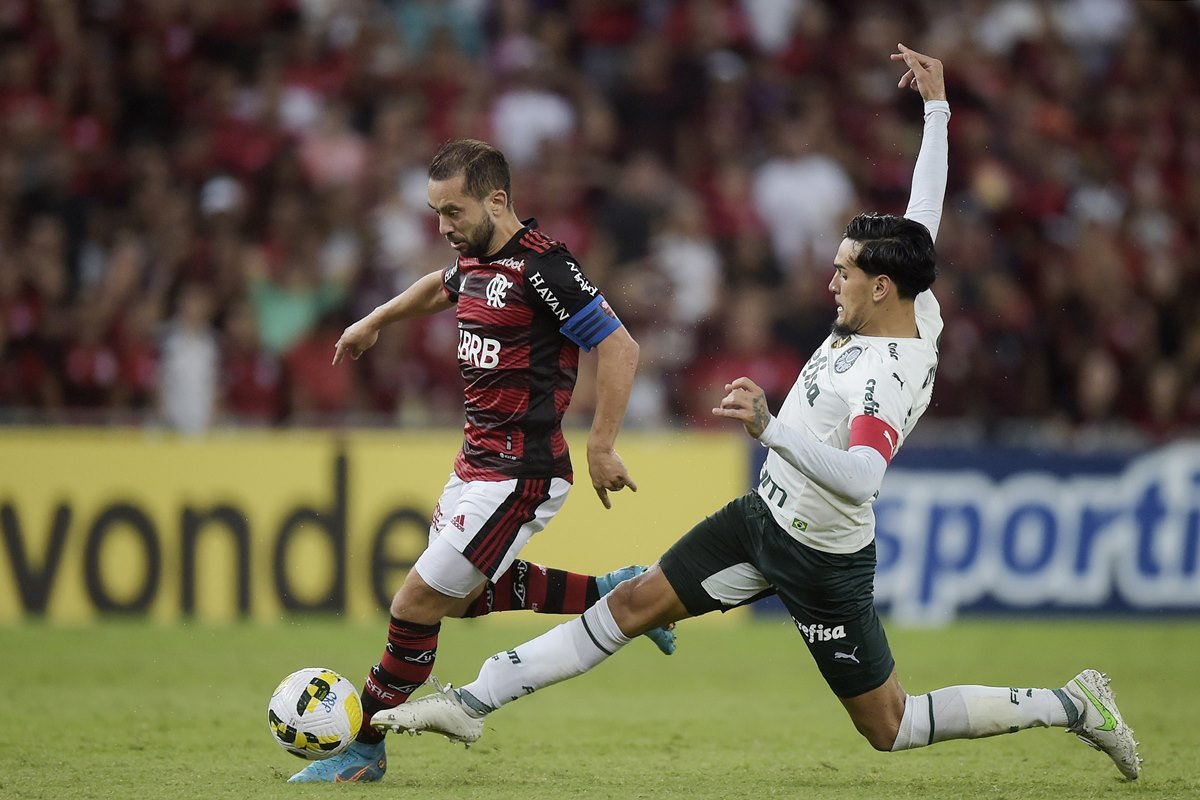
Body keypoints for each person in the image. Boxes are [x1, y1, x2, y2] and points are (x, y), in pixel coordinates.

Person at [371, 45, 1143, 782]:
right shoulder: (912, 296)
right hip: (762, 518)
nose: (830, 278)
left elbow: (863, 477)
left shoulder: (888, 370)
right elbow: (924, 211)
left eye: (844, 270)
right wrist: (938, 110)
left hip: (824, 557)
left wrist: (771, 430)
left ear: (880, 288)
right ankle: (471, 702)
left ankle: (1073, 703)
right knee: (633, 604)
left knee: (890, 727)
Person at [288, 138, 675, 783]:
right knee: (460, 602)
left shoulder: (544, 268)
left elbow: (620, 347)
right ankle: (614, 591)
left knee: (414, 604)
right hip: (473, 466)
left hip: (522, 474)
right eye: (436, 214)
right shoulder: (474, 258)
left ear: (497, 200)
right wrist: (374, 321)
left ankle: (362, 747)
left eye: (453, 212)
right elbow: (437, 289)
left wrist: (601, 443)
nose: (443, 229)